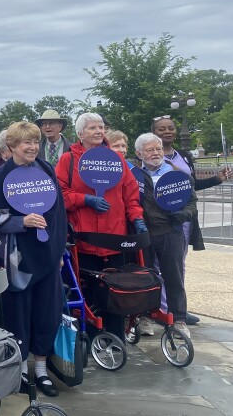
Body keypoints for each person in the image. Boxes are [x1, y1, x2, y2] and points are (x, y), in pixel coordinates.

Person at [0, 121, 68, 398]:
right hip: (16, 260)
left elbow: (58, 216)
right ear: (12, 147)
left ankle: (41, 370)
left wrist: (58, 252)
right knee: (17, 315)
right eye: (25, 143)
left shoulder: (47, 170)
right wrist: (21, 221)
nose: (32, 147)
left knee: (47, 313)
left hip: (47, 257)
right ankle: (18, 370)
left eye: (35, 142)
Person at [55, 113, 145, 342]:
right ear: (80, 134)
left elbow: (130, 196)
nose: (98, 131)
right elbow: (59, 195)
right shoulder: (68, 160)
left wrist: (137, 219)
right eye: (92, 127)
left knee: (114, 291)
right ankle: (93, 336)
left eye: (101, 127)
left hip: (114, 238)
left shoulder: (116, 160)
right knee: (89, 291)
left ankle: (116, 336)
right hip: (85, 240)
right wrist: (85, 200)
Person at [152, 115, 233, 325]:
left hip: (185, 219)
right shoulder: (150, 158)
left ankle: (178, 308)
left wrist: (217, 179)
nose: (167, 131)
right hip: (160, 221)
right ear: (154, 132)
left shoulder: (185, 156)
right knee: (158, 267)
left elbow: (191, 186)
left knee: (178, 265)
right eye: (162, 129)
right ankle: (161, 309)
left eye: (170, 128)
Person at [133, 133, 198, 339]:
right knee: (144, 278)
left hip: (170, 232)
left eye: (158, 149)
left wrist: (183, 215)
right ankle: (144, 317)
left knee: (174, 278)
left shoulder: (177, 173)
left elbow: (192, 203)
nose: (155, 153)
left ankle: (178, 320)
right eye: (150, 150)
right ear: (139, 153)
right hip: (143, 234)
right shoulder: (134, 175)